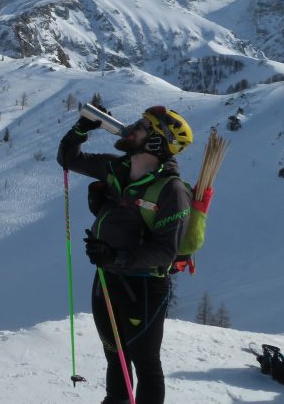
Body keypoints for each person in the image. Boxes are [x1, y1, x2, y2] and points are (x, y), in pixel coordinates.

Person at [57, 105, 194, 404]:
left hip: (143, 286)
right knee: (115, 355)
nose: (132, 126)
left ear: (158, 142)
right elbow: (68, 158)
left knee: (145, 362)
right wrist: (81, 129)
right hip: (106, 277)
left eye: (144, 126)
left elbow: (165, 251)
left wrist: (117, 256)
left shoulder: (172, 191)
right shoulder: (116, 168)